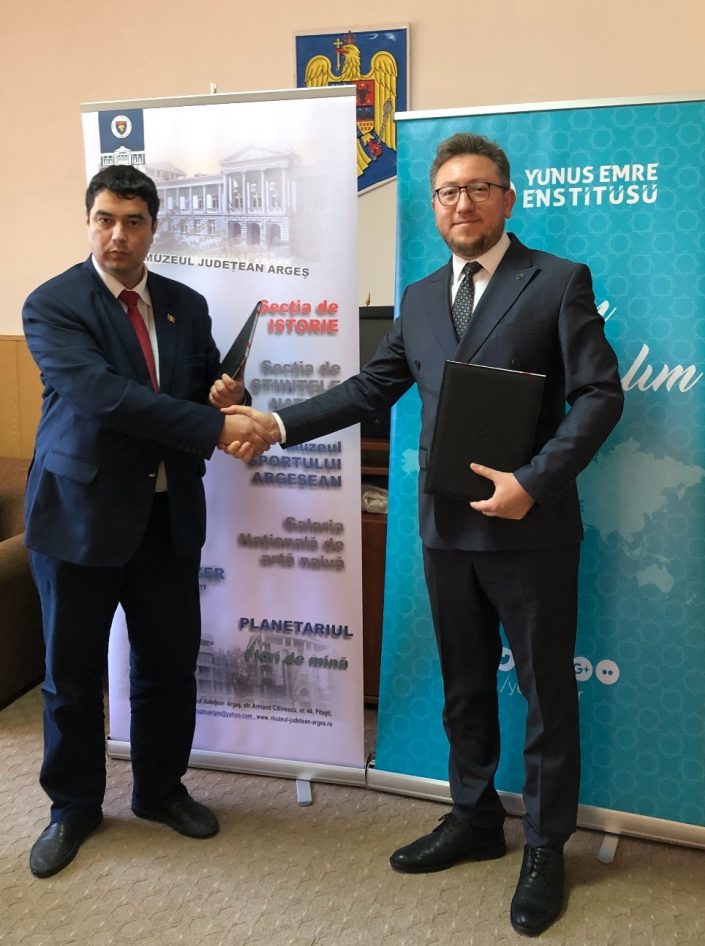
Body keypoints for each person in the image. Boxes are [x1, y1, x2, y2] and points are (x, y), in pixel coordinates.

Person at [222, 132, 624, 936]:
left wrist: (533, 482)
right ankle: (474, 817)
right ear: (434, 208)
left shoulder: (558, 281)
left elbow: (600, 396)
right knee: (464, 686)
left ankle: (546, 847)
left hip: (531, 530)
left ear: (507, 199)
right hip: (445, 529)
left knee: (546, 695)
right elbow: (373, 387)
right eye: (447, 192)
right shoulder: (419, 296)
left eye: (478, 188)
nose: (461, 203)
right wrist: (275, 423)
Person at [22, 164, 272, 879]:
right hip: (79, 516)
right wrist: (213, 427)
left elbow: (193, 391)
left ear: (154, 229)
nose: (118, 235)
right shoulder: (53, 304)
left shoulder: (185, 305)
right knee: (71, 675)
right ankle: (72, 807)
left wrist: (223, 395)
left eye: (133, 222)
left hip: (168, 515)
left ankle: (160, 791)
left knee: (167, 666)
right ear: (88, 222)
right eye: (105, 219)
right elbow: (103, 397)